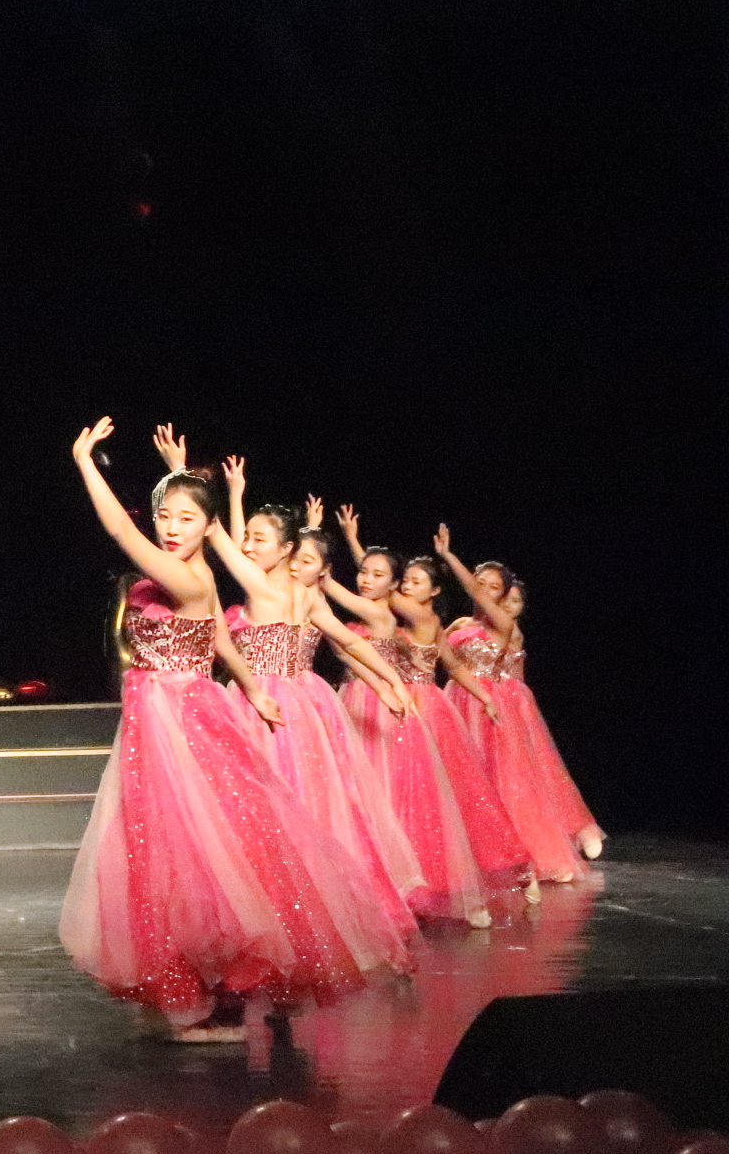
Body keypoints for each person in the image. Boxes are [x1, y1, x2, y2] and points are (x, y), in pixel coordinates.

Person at [58, 421, 413, 1041]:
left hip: (180, 717)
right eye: (165, 516)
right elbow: (221, 636)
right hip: (159, 718)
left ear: (208, 525)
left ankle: (228, 987)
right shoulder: (192, 573)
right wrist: (252, 688)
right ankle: (191, 993)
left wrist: (85, 462)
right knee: (168, 856)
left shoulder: (189, 579)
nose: (171, 528)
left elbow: (119, 531)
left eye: (187, 519)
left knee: (208, 852)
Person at [203, 464, 423, 940]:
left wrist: (191, 482)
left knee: (272, 804)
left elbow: (220, 537)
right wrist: (392, 682)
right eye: (250, 539)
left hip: (266, 703)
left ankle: (285, 906)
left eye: (260, 540)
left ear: (285, 550)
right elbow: (350, 641)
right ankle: (308, 902)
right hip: (301, 699)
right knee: (307, 801)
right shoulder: (304, 592)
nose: (249, 546)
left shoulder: (263, 587)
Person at [328, 509, 533, 920]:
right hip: (379, 701)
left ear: (434, 591)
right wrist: (357, 547)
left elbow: (379, 584)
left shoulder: (421, 617)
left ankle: (439, 880)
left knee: (432, 796)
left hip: (416, 702)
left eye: (414, 582)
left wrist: (342, 563)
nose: (406, 587)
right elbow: (377, 583)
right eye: (406, 582)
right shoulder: (396, 616)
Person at [434, 527, 604, 874]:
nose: (483, 589)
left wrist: (449, 556)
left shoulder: (503, 623)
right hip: (456, 699)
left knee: (501, 779)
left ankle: (523, 851)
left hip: (485, 704)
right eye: (480, 581)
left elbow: (475, 595)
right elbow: (434, 650)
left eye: (492, 586)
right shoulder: (461, 623)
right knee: (457, 780)